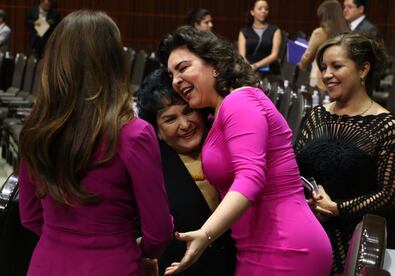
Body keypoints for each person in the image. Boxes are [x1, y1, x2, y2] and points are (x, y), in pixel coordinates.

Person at [158, 25, 332, 275]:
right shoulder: (217, 113)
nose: (175, 80)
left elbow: (251, 176)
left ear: (214, 63)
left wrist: (205, 235)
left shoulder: (239, 101)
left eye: (183, 68)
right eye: (172, 74)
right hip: (258, 246)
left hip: (285, 247)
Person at [18, 10, 173, 276]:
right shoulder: (134, 134)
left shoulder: (36, 130)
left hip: (47, 264)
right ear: (113, 62)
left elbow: (30, 215)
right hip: (113, 264)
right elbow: (158, 231)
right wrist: (143, 253)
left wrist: (65, 240)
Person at [295, 32, 395, 274]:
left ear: (363, 69)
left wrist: (338, 208)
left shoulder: (387, 126)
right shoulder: (316, 115)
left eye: (337, 66)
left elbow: (388, 196)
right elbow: (294, 170)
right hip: (305, 226)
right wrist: (309, 203)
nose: (326, 75)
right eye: (324, 67)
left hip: (351, 239)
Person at [138, 68, 237, 275]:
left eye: (188, 111)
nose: (184, 125)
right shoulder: (149, 167)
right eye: (170, 119)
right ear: (157, 131)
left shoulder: (229, 144)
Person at [298, 0, 349, 91]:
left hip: (319, 79)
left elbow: (308, 56)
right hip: (341, 79)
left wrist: (301, 65)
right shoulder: (347, 32)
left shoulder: (320, 33)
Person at [238, 0, 282, 74]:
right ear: (252, 12)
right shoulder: (244, 31)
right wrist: (248, 68)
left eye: (266, 9)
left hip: (269, 71)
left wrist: (255, 66)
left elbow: (274, 55)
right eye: (260, 8)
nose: (263, 11)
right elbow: (242, 56)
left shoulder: (275, 30)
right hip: (248, 71)